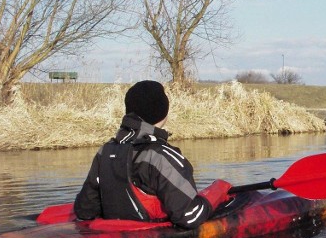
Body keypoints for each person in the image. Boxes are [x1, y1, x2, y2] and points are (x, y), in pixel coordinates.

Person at [74, 80, 232, 229]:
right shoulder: (162, 155)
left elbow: (85, 210)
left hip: (117, 236)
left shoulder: (106, 151)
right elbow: (189, 216)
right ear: (163, 113)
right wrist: (217, 191)